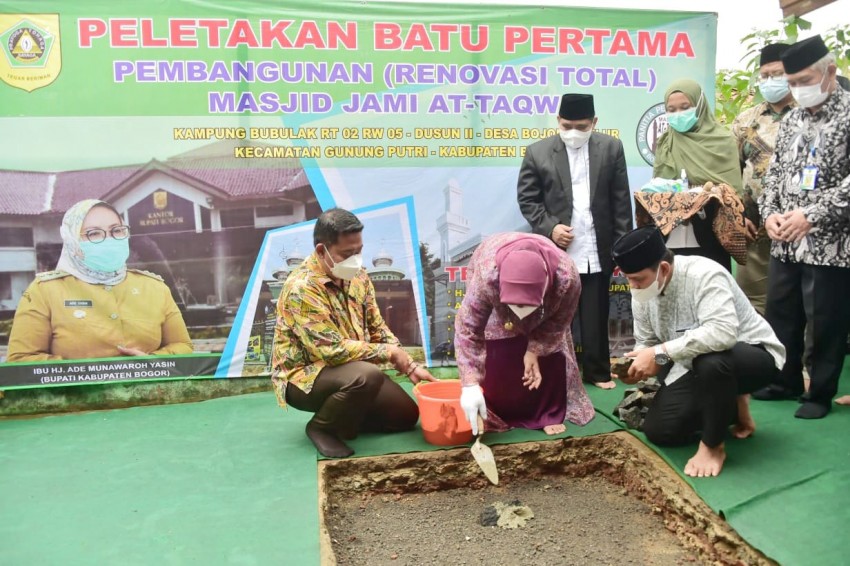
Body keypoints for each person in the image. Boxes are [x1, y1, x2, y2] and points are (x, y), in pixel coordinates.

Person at [613, 227, 785, 478]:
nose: (633, 286)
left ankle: (713, 446)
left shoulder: (705, 274)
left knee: (712, 361)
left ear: (663, 269)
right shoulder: (641, 290)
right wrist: (637, 365)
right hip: (689, 363)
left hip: (751, 355)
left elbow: (722, 333)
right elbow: (647, 342)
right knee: (661, 431)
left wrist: (660, 353)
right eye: (628, 279)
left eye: (637, 279)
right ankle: (733, 404)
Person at [271, 208, 436, 458]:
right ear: (321, 251)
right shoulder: (301, 288)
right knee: (367, 375)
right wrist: (390, 353)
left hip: (351, 369)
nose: (356, 260)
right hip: (303, 378)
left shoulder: (359, 277)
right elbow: (331, 351)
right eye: (347, 254)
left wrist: (409, 365)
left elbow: (376, 326)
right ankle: (322, 428)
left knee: (405, 416)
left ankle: (347, 418)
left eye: (359, 251)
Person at [754, 35, 850, 419]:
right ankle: (784, 380)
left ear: (830, 72)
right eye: (792, 83)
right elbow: (775, 176)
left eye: (804, 81)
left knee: (825, 320)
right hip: (785, 239)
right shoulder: (793, 118)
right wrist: (769, 214)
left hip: (831, 243)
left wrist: (812, 214)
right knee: (781, 314)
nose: (797, 89)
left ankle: (819, 394)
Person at [517, 93, 632, 389]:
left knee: (596, 313)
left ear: (594, 122)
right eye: (566, 126)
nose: (573, 132)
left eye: (581, 127)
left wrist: (622, 250)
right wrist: (551, 228)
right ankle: (552, 375)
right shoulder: (537, 152)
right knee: (554, 316)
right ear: (558, 121)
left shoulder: (612, 148)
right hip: (557, 250)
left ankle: (597, 372)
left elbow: (621, 203)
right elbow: (528, 200)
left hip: (597, 247)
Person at [7, 199, 192, 361]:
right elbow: (21, 359)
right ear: (73, 240)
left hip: (150, 391)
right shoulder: (44, 291)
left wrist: (153, 362)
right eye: (93, 233)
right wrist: (88, 372)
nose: (109, 240)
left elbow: (183, 346)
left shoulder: (154, 287)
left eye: (117, 230)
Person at [454, 232, 595, 436]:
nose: (520, 312)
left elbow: (558, 322)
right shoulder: (487, 277)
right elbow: (468, 327)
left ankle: (545, 412)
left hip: (548, 301)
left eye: (525, 304)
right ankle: (497, 410)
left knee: (549, 349)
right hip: (492, 269)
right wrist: (470, 384)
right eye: (515, 304)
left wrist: (534, 351)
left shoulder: (566, 278)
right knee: (500, 346)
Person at [653, 78, 744, 272]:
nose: (678, 114)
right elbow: (658, 186)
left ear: (700, 105)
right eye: (671, 110)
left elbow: (733, 193)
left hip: (711, 233)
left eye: (685, 107)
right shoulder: (665, 142)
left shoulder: (722, 141)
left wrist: (702, 195)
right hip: (671, 236)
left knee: (711, 286)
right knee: (672, 286)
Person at [732, 43, 796, 315]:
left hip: (798, 226)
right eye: (765, 75)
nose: (770, 81)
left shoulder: (808, 114)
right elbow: (730, 171)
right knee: (752, 304)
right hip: (754, 227)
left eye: (777, 74)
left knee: (799, 302)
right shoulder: (746, 120)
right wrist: (739, 213)